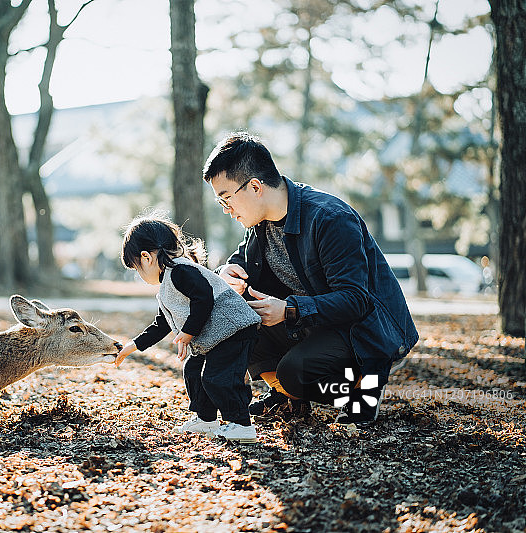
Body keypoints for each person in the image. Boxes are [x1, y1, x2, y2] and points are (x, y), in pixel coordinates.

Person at [202, 132, 418, 426]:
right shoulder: (260, 221)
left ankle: (362, 391)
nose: (226, 210)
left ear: (254, 187)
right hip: (313, 323)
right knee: (237, 327)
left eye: (226, 199)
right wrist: (226, 272)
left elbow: (357, 300)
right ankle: (287, 394)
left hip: (361, 330)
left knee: (296, 374)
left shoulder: (330, 218)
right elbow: (241, 261)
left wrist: (289, 310)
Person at [114, 215, 262, 443]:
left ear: (146, 257)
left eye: (137, 269)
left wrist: (188, 333)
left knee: (218, 378)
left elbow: (203, 298)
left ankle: (241, 424)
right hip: (217, 337)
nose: (139, 275)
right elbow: (160, 324)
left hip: (235, 329)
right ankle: (207, 420)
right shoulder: (167, 284)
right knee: (193, 371)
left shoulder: (182, 270)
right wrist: (131, 347)